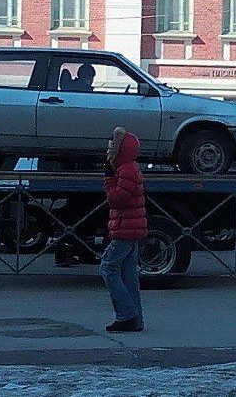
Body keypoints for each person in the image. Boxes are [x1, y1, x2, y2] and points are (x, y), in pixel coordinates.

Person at [100, 127, 148, 333]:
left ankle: (126, 315)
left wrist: (109, 181)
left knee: (108, 268)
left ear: (120, 149)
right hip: (130, 227)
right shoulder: (130, 167)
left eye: (113, 144)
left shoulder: (126, 169)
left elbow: (117, 200)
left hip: (125, 228)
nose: (109, 147)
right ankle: (135, 319)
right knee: (129, 275)